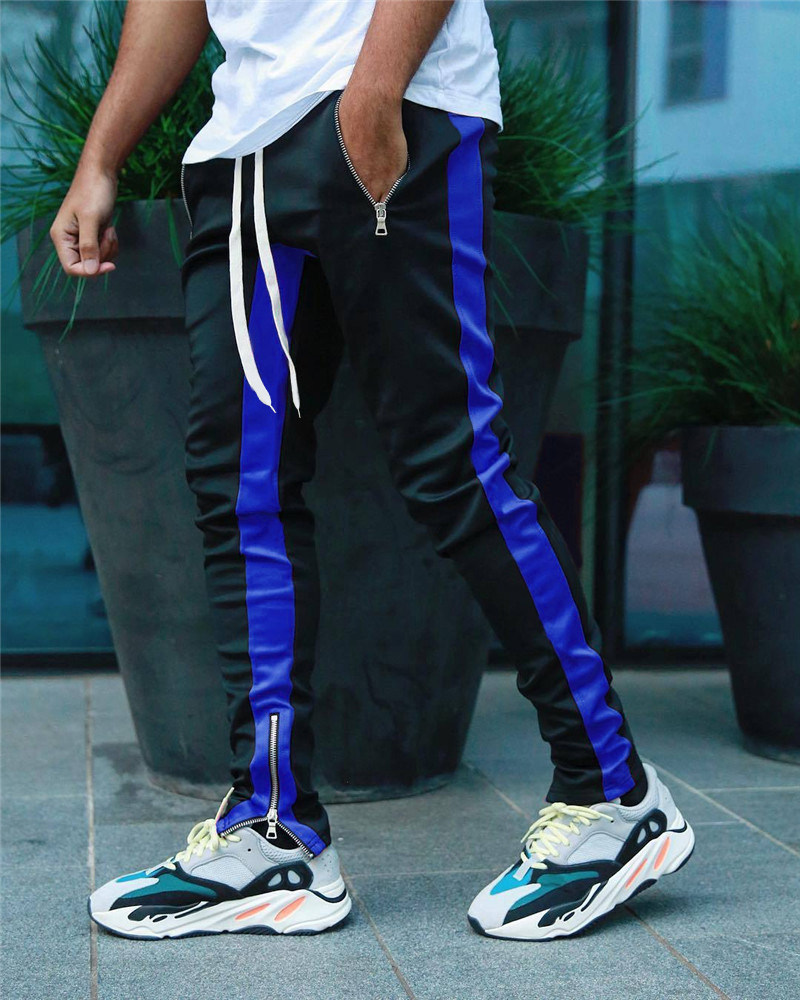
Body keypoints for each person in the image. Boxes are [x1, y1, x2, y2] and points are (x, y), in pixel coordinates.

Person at [51, 0, 693, 942]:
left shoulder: (383, 104)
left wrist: (374, 95)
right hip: (242, 154)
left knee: (455, 464)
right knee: (242, 492)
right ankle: (274, 831)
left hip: (393, 113)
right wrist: (101, 157)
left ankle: (614, 793)